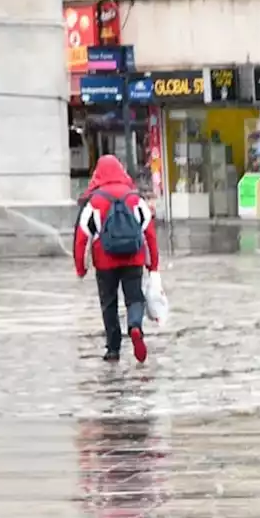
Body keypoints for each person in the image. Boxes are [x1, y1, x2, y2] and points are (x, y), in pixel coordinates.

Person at [73, 155, 160, 364]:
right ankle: (135, 326)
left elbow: (81, 238)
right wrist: (153, 264)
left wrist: (80, 268)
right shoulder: (135, 198)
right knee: (134, 297)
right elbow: (149, 232)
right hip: (133, 258)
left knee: (109, 303)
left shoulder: (94, 201)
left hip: (105, 262)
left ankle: (113, 349)